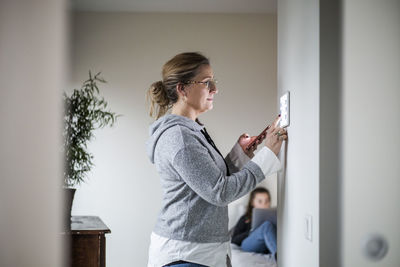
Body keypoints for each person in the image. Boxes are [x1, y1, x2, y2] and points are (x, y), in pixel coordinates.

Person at [146, 52, 287, 267]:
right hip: (186, 255)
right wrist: (267, 155)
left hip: (201, 251)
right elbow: (219, 192)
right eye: (207, 82)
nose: (215, 89)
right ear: (182, 89)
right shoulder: (180, 137)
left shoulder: (192, 130)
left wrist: (239, 155)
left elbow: (209, 179)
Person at [231, 187, 277, 259]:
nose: (264, 204)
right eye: (260, 201)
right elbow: (234, 240)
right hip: (248, 245)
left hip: (266, 245)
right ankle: (279, 257)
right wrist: (250, 232)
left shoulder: (275, 216)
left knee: (269, 226)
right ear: (252, 202)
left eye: (267, 201)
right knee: (267, 225)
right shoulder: (245, 218)